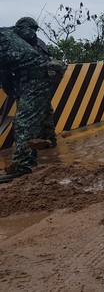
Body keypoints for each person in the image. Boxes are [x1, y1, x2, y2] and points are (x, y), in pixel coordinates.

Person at [0, 24, 56, 183]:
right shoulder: (9, 31)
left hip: (34, 79)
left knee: (24, 123)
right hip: (38, 76)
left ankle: (23, 166)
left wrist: (11, 90)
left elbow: (3, 73)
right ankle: (47, 144)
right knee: (39, 117)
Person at [14, 17, 66, 147]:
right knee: (45, 114)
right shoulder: (35, 43)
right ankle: (46, 143)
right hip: (40, 85)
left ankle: (27, 150)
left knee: (28, 119)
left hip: (30, 86)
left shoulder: (18, 44)